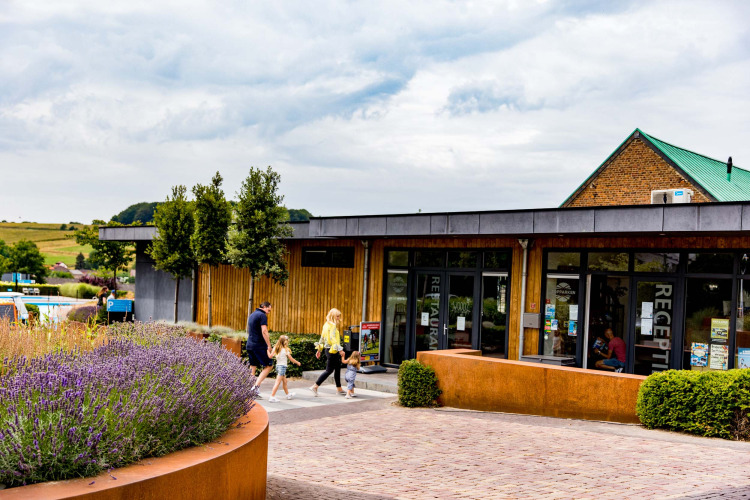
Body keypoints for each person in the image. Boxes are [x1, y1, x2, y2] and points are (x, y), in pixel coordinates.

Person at [308, 308, 346, 397]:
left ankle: (339, 388)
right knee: (329, 370)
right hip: (333, 350)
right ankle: (315, 386)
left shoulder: (325, 325)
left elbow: (322, 338)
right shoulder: (332, 325)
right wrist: (340, 349)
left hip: (328, 350)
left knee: (337, 368)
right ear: (333, 316)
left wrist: (319, 349)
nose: (338, 318)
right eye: (337, 316)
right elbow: (333, 339)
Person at [246, 301, 274, 398]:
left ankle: (248, 389)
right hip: (259, 345)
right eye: (268, 310)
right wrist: (269, 345)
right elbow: (264, 331)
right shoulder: (262, 316)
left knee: (253, 367)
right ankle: (255, 387)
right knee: (269, 365)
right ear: (264, 307)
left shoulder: (252, 314)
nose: (268, 312)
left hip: (249, 344)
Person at [268, 335, 301, 403]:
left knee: (285, 381)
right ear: (285, 342)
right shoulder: (285, 349)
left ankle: (288, 395)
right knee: (277, 382)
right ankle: (272, 396)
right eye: (287, 341)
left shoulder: (276, 348)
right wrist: (297, 362)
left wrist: (267, 350)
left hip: (278, 366)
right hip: (282, 367)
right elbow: (291, 358)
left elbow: (270, 356)